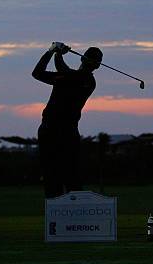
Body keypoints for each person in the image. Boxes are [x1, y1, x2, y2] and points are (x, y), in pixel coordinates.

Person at [32, 42, 102, 198]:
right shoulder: (69, 78)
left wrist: (54, 51)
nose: (92, 63)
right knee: (55, 177)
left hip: (62, 132)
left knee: (68, 178)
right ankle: (57, 219)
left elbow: (58, 70)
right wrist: (55, 52)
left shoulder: (84, 80)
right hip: (53, 131)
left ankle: (73, 218)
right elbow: (38, 73)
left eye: (94, 61)